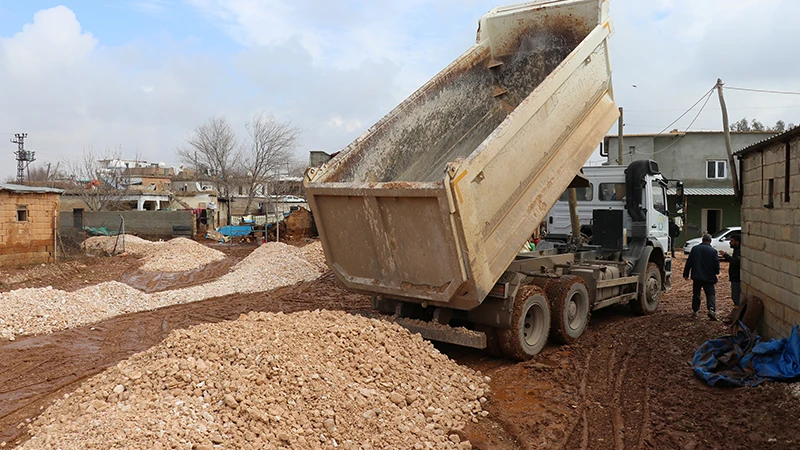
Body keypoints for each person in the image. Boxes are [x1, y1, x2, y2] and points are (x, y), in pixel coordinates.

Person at [683, 233, 720, 320]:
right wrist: (716, 272)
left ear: (702, 240)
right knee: (710, 294)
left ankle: (695, 311)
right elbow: (716, 265)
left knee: (696, 294)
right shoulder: (713, 251)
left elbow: (689, 262)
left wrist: (686, 274)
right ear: (710, 241)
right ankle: (711, 309)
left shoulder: (695, 249)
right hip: (709, 277)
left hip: (697, 276)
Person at [720, 233, 741, 307]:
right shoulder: (736, 250)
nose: (730, 242)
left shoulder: (739, 251)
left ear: (737, 242)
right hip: (734, 277)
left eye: (732, 241)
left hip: (737, 278)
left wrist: (725, 255)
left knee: (736, 297)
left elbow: (735, 262)